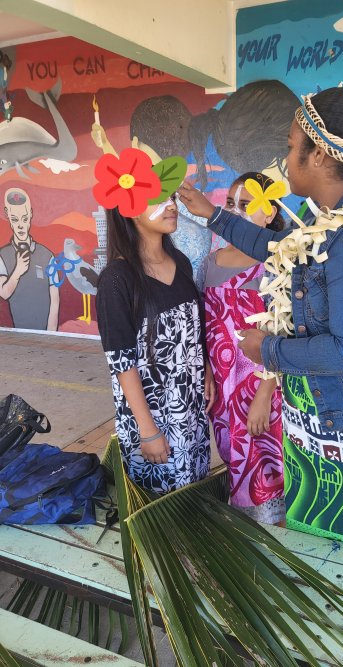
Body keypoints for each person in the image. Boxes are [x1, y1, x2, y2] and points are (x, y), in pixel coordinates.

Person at [179, 86, 343, 567]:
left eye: (290, 147)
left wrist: (267, 351)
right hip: (332, 422)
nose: (285, 160)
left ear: (320, 155)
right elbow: (280, 249)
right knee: (331, 562)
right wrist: (215, 216)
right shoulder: (326, 218)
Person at [96, 194, 215, 494]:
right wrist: (148, 431)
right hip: (153, 417)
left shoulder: (181, 262)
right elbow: (121, 363)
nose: (172, 206)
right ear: (129, 209)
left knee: (194, 492)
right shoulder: (116, 279)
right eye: (157, 200)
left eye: (171, 197)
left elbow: (192, 329)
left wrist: (206, 370)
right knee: (161, 507)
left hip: (190, 411)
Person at [197, 172, 285, 524]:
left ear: (270, 212)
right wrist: (207, 370)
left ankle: (277, 536)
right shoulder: (210, 262)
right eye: (230, 204)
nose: (235, 211)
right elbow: (204, 325)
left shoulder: (277, 264)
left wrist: (264, 395)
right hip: (222, 391)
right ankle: (247, 534)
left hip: (264, 389)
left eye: (246, 205)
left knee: (268, 466)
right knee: (234, 458)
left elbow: (283, 333)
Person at [0, 188, 59, 331]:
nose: (20, 225)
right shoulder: (3, 255)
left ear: (31, 214)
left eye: (25, 218)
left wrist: (51, 335)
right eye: (15, 219)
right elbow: (4, 293)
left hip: (45, 335)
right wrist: (17, 271)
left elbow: (55, 300)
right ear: (7, 216)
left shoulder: (47, 256)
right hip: (16, 336)